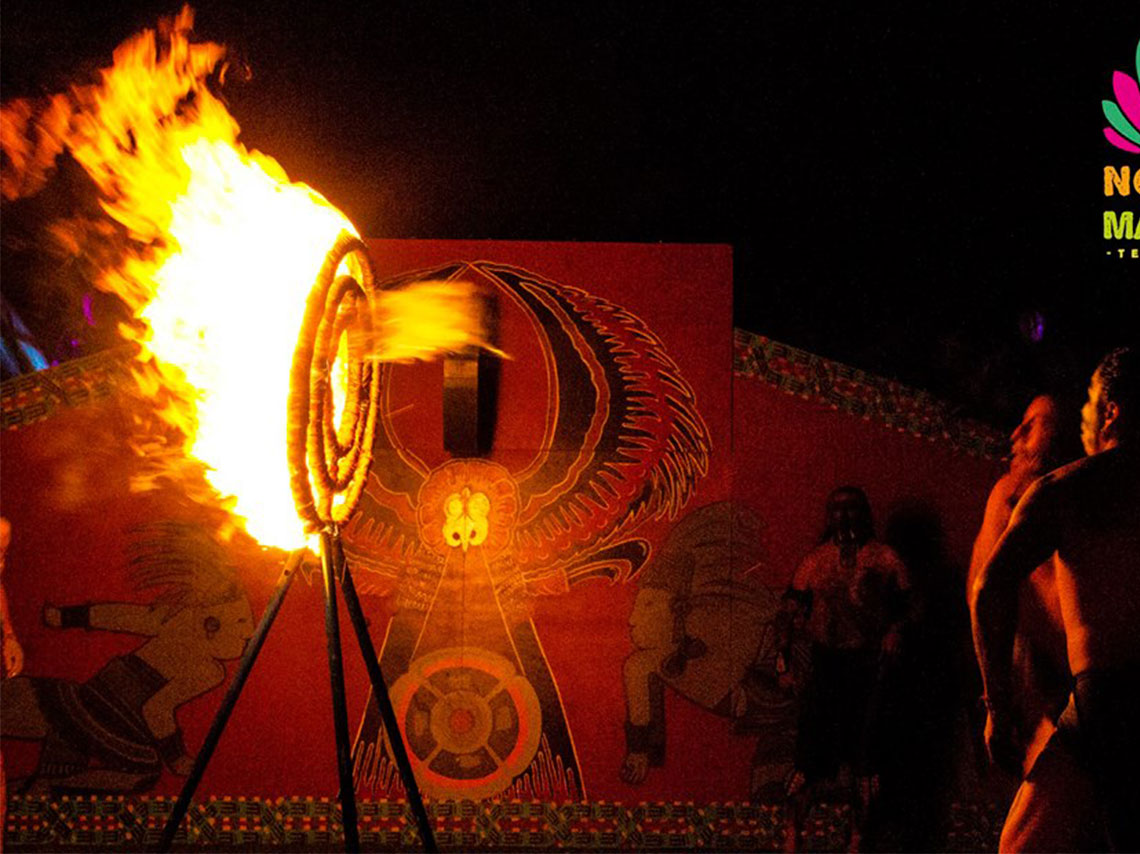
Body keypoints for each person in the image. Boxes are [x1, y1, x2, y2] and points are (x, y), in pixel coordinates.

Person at [971, 347, 1140, 852]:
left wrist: (997, 708)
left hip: (1105, 698)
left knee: (1022, 845)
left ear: (1111, 409)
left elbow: (988, 588)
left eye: (1091, 405)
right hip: (1097, 701)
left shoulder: (1066, 489)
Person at [783, 487, 911, 813]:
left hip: (868, 668)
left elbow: (911, 607)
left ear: (864, 513)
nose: (844, 516)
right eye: (837, 509)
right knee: (808, 759)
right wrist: (783, 659)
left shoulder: (885, 558)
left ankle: (858, 840)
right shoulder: (816, 561)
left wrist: (896, 630)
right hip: (825, 666)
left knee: (865, 761)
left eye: (851, 508)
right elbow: (790, 609)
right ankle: (793, 836)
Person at [968, 395, 1074, 777]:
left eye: (1033, 424)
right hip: (1067, 694)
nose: (1016, 434)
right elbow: (985, 592)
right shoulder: (1012, 496)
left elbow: (987, 592)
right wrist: (998, 705)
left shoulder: (1077, 498)